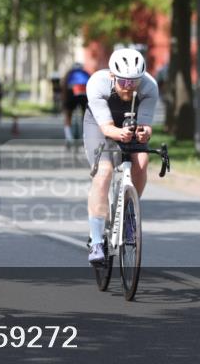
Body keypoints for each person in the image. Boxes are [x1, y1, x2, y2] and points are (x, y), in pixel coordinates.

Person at [83, 48, 159, 265]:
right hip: (99, 125)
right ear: (112, 75)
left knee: (142, 162)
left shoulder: (149, 86)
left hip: (130, 122)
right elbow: (107, 128)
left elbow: (146, 125)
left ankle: (129, 213)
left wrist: (144, 133)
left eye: (134, 82)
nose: (129, 87)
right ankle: (96, 241)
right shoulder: (97, 83)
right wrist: (119, 134)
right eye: (124, 81)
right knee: (104, 172)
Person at [63, 62, 90, 145]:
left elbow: (64, 85)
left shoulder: (69, 74)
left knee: (68, 114)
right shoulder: (85, 73)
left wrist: (64, 100)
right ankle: (85, 136)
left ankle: (68, 137)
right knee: (86, 116)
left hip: (71, 93)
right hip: (84, 94)